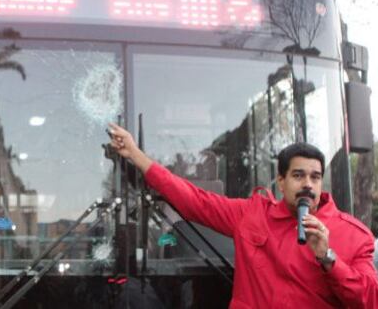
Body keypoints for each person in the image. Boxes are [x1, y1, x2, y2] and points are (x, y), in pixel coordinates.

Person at [108, 123, 378, 308]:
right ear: (281, 182)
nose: (308, 183)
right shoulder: (251, 215)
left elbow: (369, 301)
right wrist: (136, 155)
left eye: (315, 177)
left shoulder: (355, 236)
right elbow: (192, 199)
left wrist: (328, 258)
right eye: (298, 175)